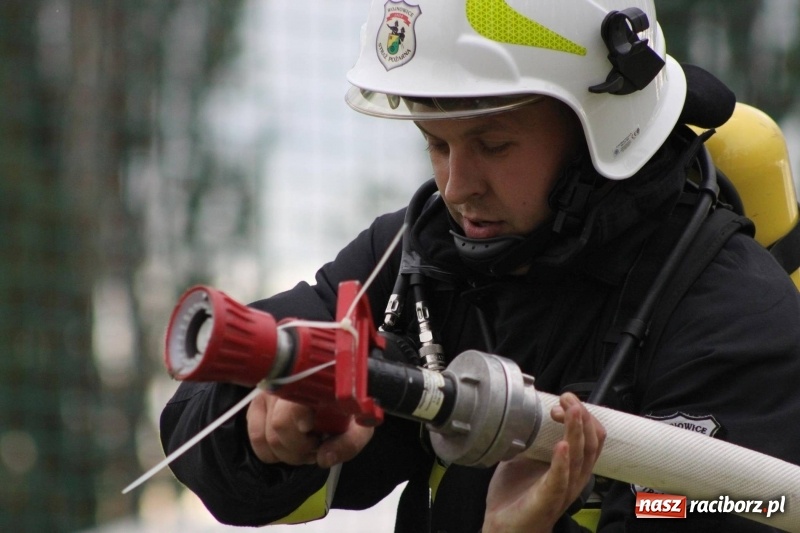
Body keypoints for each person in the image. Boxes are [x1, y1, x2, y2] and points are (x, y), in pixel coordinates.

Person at [160, 1, 800, 531]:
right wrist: (265, 432)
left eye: (492, 144)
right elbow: (195, 426)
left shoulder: (735, 323)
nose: (456, 186)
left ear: (601, 124)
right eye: (435, 143)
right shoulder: (416, 259)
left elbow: (731, 509)